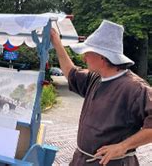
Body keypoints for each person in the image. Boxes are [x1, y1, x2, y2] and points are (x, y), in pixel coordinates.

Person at [50, 20, 151, 165]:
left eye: (88, 53)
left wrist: (123, 146)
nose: (84, 57)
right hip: (82, 160)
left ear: (102, 57)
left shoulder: (135, 88)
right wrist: (57, 43)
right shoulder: (95, 78)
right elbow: (70, 72)